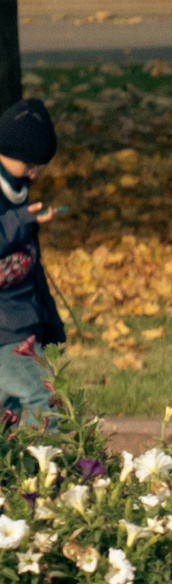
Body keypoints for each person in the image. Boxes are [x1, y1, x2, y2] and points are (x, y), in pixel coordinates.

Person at [0, 99, 64, 419]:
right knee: (44, 397)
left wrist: (51, 324)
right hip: (4, 331)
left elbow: (33, 270)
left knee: (8, 416)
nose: (35, 174)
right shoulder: (16, 210)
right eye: (30, 165)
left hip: (22, 322)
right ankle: (49, 453)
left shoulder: (19, 194)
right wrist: (22, 220)